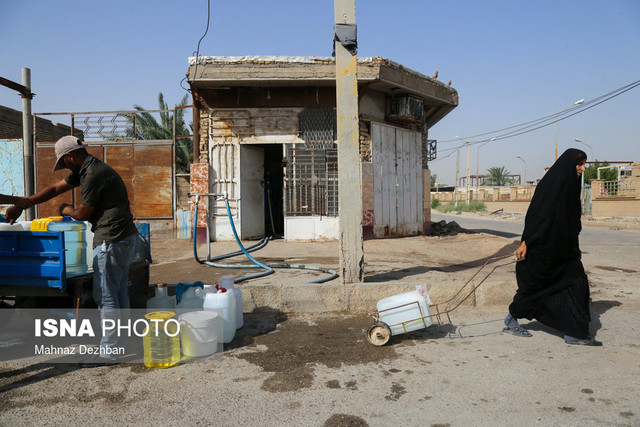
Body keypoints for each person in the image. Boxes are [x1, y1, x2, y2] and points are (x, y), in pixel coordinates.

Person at [5, 135, 139, 363]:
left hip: (112, 240)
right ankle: (121, 341)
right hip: (126, 238)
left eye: (64, 162)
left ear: (70, 156)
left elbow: (83, 215)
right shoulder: (88, 168)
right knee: (118, 292)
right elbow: (56, 187)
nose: (64, 167)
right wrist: (23, 203)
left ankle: (109, 350)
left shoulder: (93, 174)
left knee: (106, 297)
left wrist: (65, 209)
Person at [503, 148, 601, 346]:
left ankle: (574, 332)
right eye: (579, 164)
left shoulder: (571, 187)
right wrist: (525, 242)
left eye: (583, 164)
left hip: (565, 251)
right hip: (543, 248)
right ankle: (512, 317)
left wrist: (575, 247)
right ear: (568, 164)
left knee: (578, 284)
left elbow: (571, 223)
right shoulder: (551, 185)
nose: (582, 169)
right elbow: (536, 217)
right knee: (535, 287)